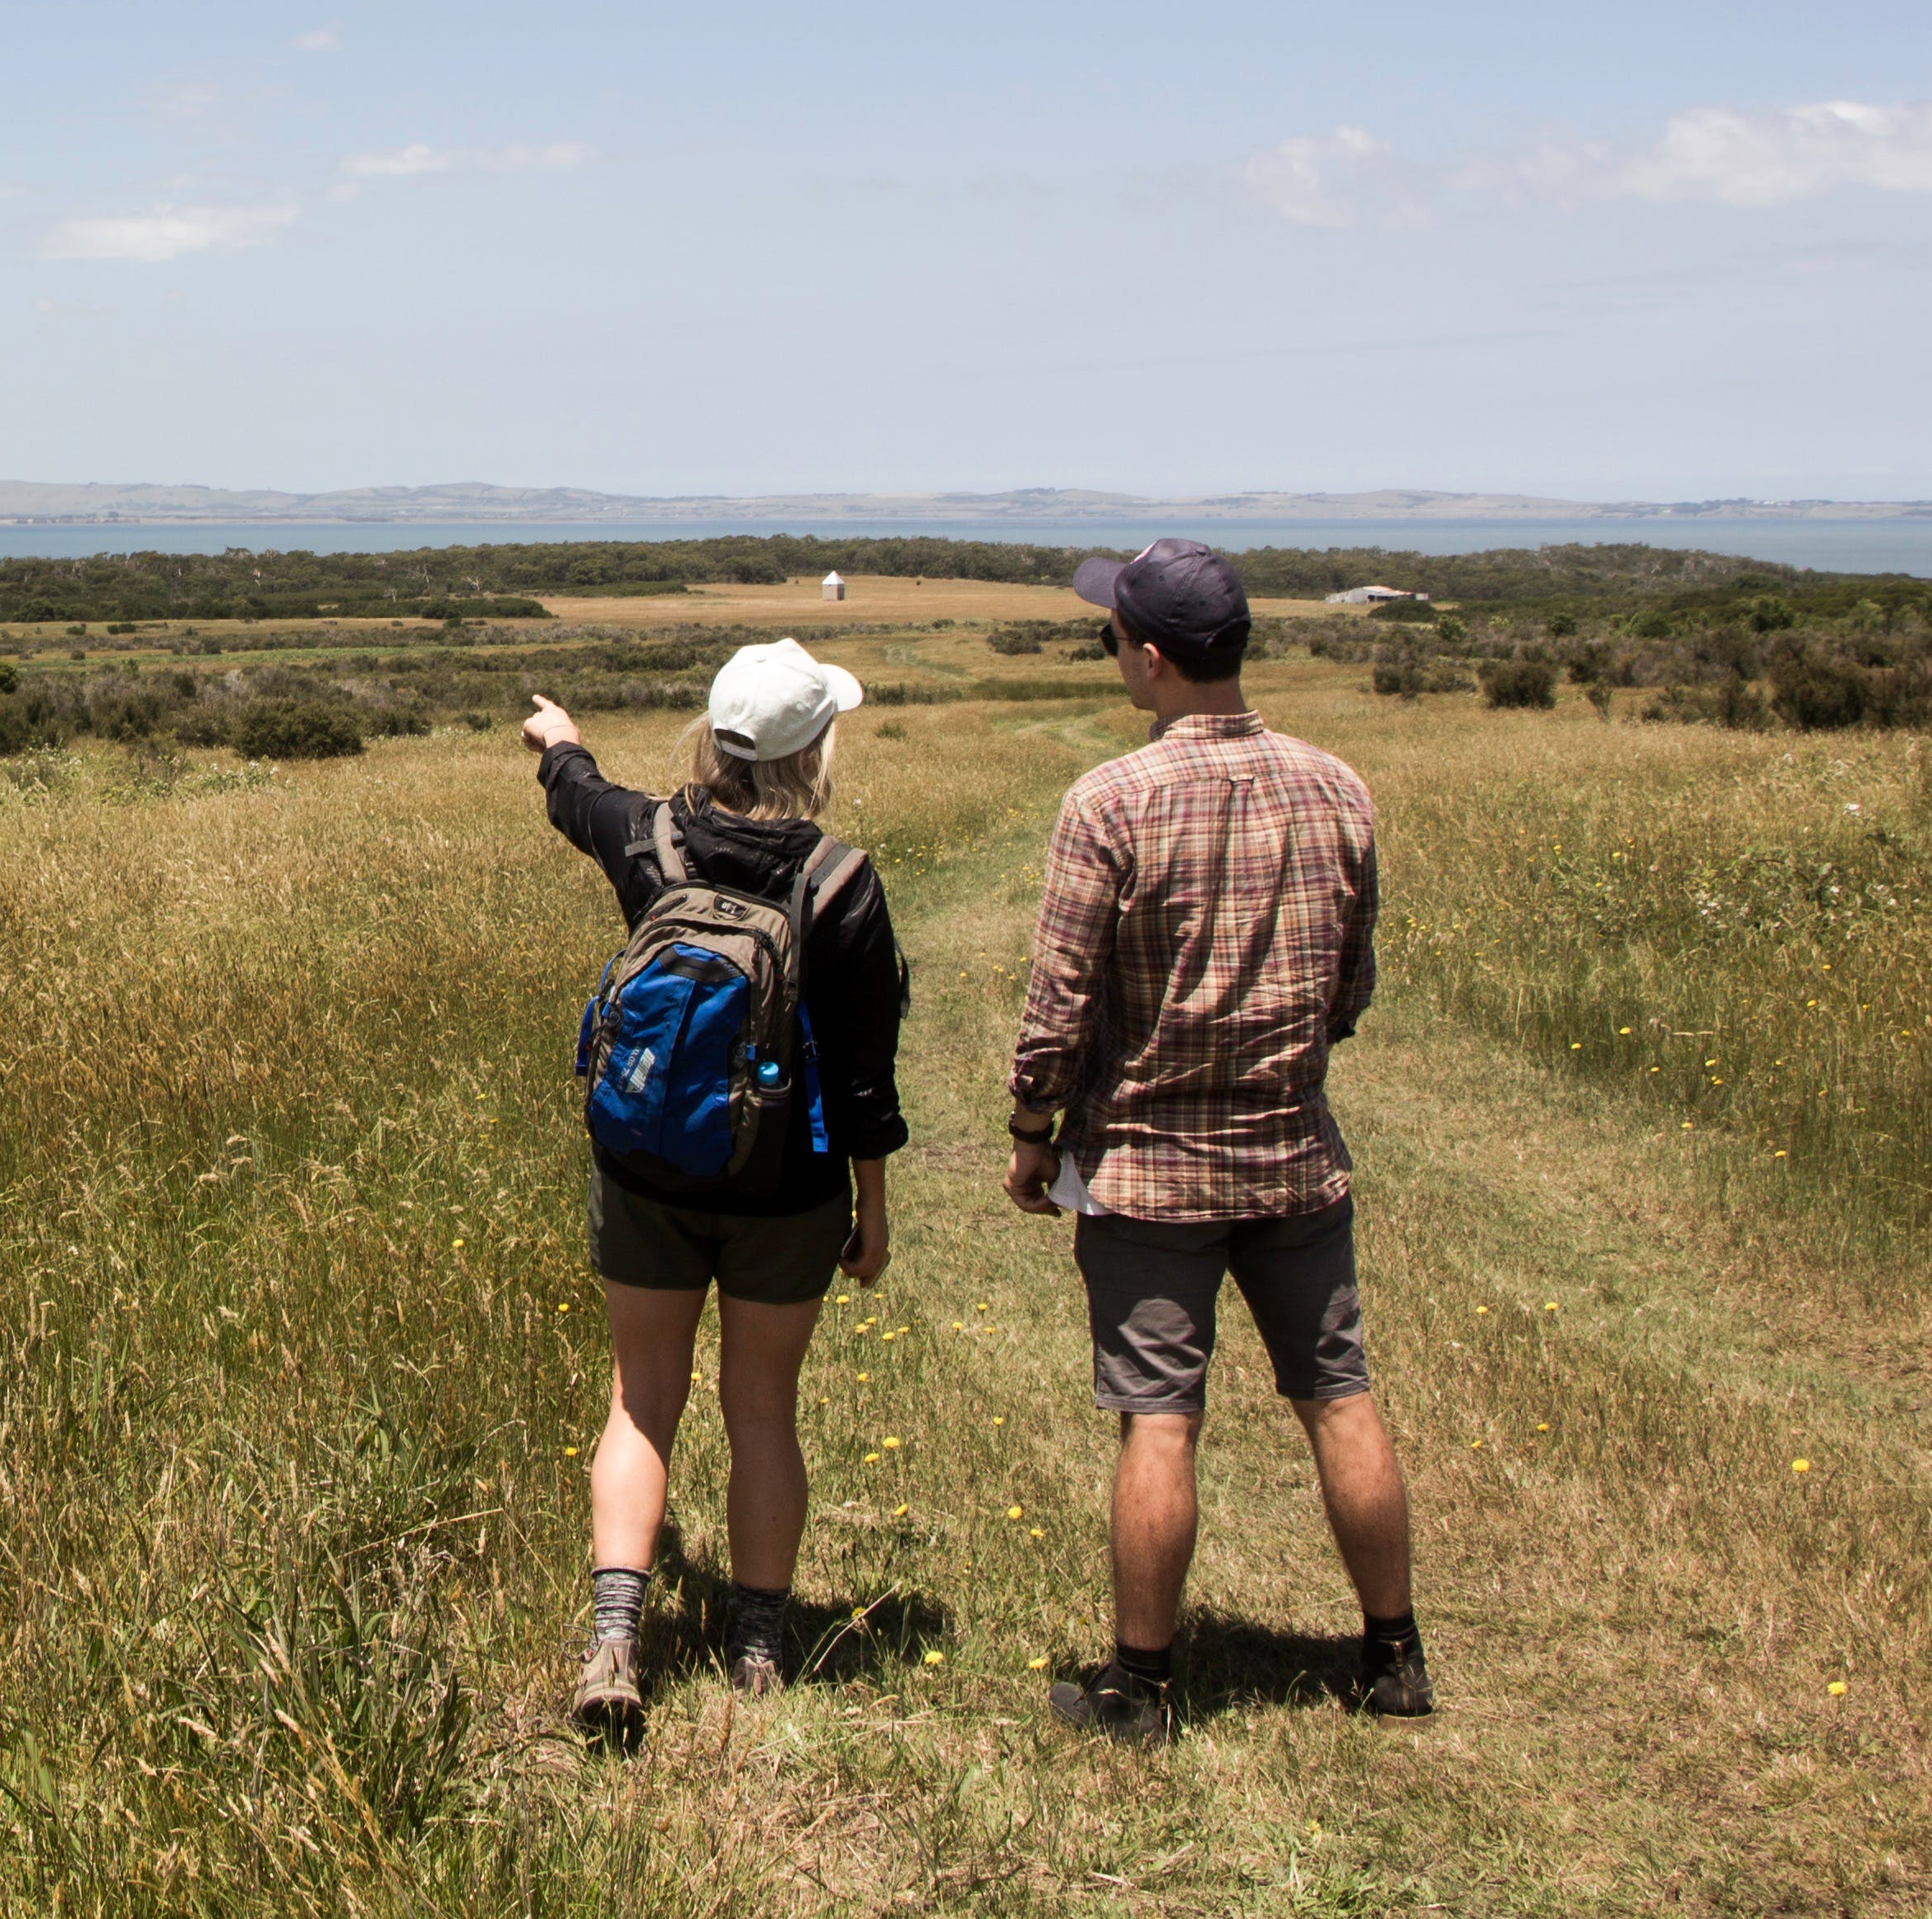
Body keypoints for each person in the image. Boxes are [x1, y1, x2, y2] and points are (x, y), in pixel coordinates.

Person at [1006, 538, 1428, 1747]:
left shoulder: (1111, 801)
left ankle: (1141, 1684)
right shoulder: (1338, 786)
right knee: (1338, 1394)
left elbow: (1058, 1006)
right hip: (1296, 1151)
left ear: (1149, 657)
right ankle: (1393, 1655)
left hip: (1148, 1165)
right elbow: (1350, 986)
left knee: (1161, 1416)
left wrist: (1035, 1131)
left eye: (1112, 639)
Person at [521, 639, 910, 1736]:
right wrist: (871, 1209)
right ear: (813, 749)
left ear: (714, 736)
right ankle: (755, 1647)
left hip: (644, 1167)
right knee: (762, 1410)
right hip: (789, 1186)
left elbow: (579, 797)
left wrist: (560, 742)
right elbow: (868, 1074)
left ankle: (614, 1638)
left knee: (642, 1400)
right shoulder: (839, 881)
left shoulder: (649, 840)